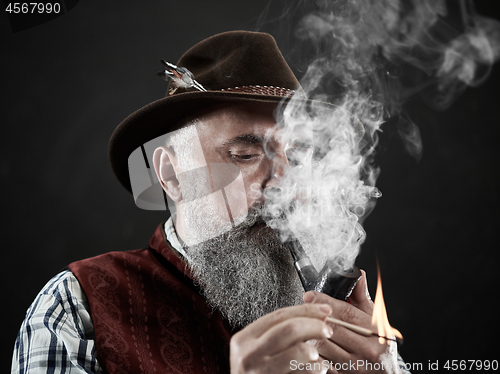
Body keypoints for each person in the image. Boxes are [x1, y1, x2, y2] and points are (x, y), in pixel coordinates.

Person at [12, 31, 410, 373]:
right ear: (171, 175)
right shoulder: (77, 308)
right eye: (245, 155)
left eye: (298, 156)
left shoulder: (340, 308)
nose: (285, 187)